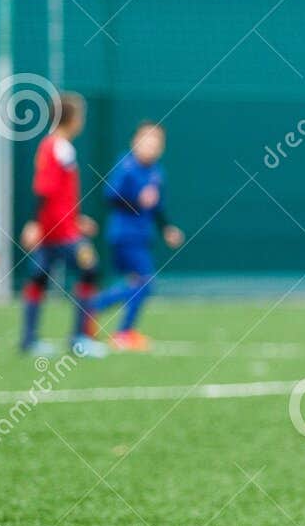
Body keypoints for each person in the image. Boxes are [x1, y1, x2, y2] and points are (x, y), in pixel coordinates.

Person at [19, 92, 106, 358]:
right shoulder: (56, 146)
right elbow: (44, 190)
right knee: (91, 269)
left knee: (38, 278)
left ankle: (29, 340)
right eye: (81, 116)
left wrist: (76, 219)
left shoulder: (58, 147)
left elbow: (58, 193)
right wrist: (35, 222)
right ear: (72, 119)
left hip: (59, 227)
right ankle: (79, 339)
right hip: (58, 231)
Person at [90, 121, 183, 351]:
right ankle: (107, 316)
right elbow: (110, 196)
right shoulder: (127, 166)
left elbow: (157, 207)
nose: (151, 146)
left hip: (143, 235)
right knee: (145, 282)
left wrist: (166, 228)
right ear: (135, 142)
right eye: (147, 140)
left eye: (156, 142)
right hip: (124, 235)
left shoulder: (157, 172)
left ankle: (107, 317)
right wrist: (136, 201)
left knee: (138, 282)